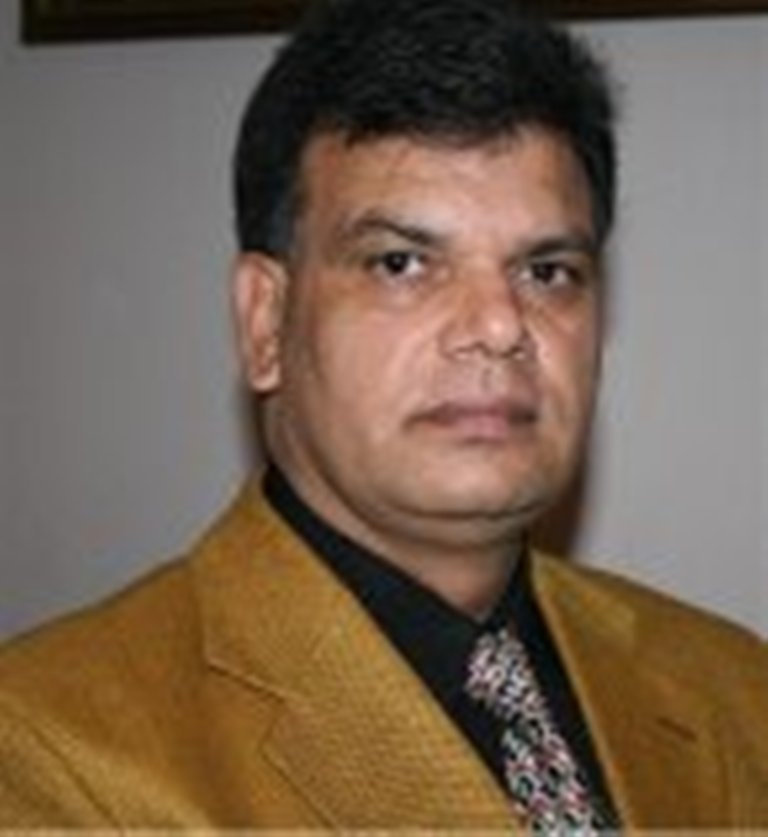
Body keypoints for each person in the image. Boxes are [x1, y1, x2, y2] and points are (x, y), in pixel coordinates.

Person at [1, 0, 766, 829]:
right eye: (401, 263)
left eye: (547, 271)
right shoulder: (46, 750)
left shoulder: (734, 683)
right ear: (265, 322)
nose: (499, 324)